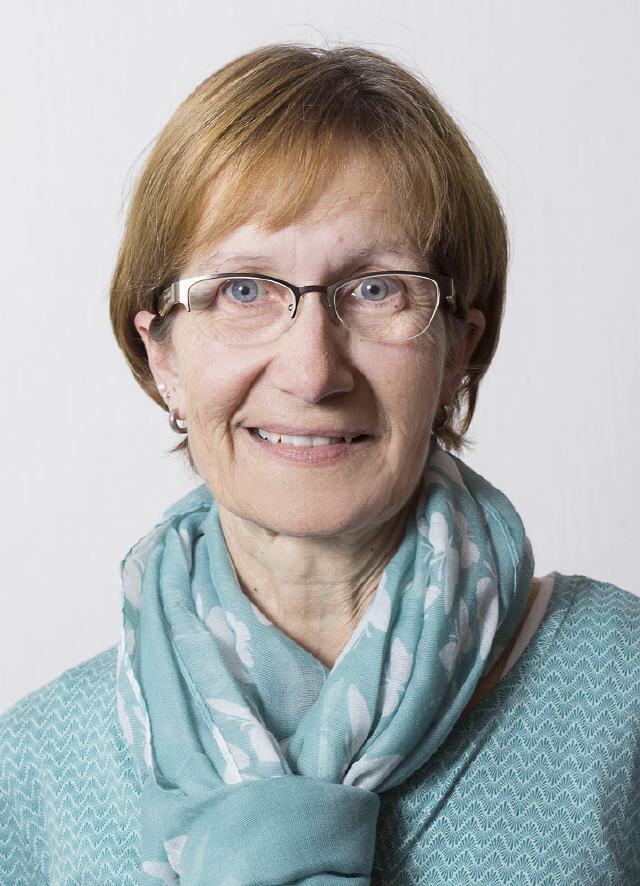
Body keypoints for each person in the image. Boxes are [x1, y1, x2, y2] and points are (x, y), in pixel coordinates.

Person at [1, 42, 638, 886]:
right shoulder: (36, 773)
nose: (312, 372)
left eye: (375, 289)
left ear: (457, 352)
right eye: (242, 289)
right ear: (162, 356)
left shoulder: (621, 693)